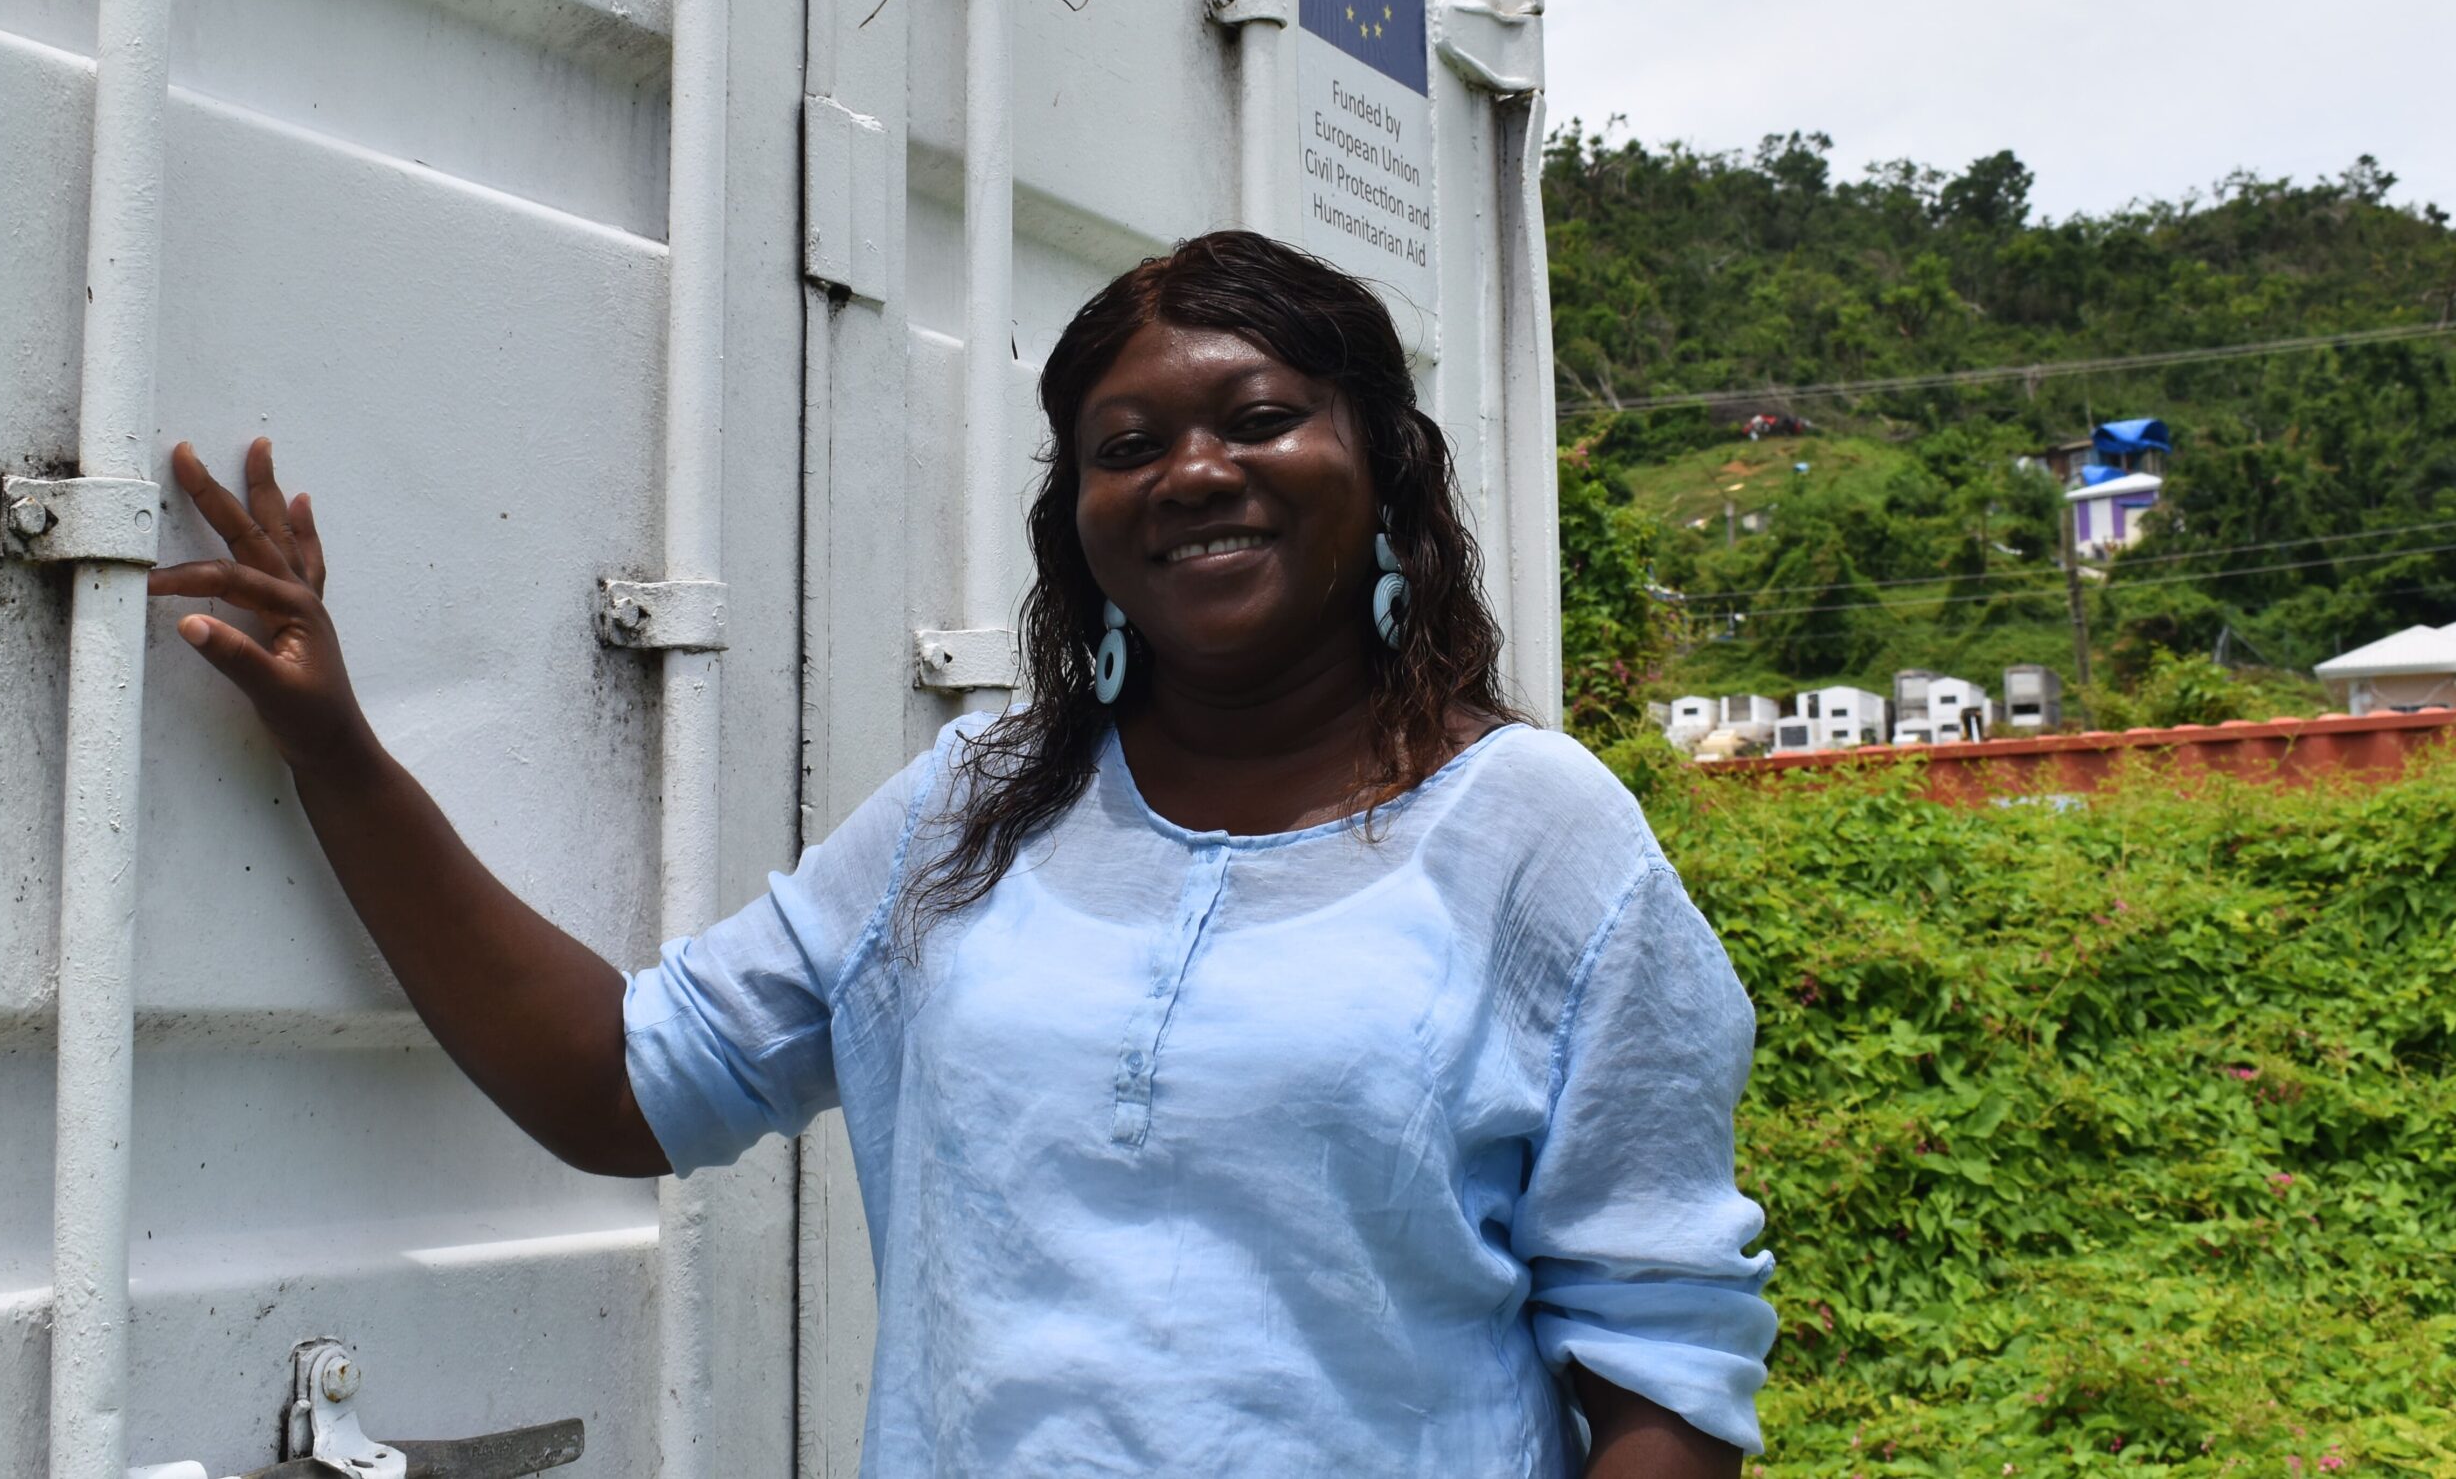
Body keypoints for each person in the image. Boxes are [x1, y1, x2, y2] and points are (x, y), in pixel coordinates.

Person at [150, 230, 1775, 1477]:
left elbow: (1660, 1364)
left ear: (1385, 468)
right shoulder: (976, 811)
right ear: (1079, 518)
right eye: (1126, 446)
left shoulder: (1540, 836)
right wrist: (339, 756)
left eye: (1261, 419)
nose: (1195, 472)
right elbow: (623, 1080)